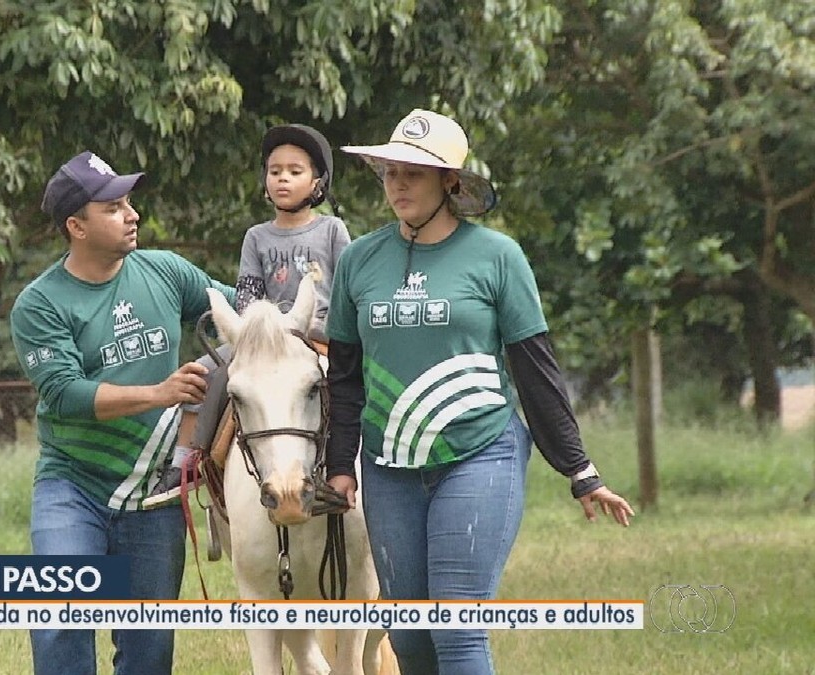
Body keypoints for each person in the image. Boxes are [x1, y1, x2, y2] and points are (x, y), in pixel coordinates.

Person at [323, 108, 635, 674]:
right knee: (409, 633)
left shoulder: (497, 257)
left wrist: (579, 470)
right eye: (390, 172)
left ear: (451, 182)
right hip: (388, 464)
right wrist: (340, 463)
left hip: (480, 453)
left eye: (413, 174)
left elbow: (535, 371)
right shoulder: (359, 261)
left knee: (456, 626)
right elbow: (343, 376)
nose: (397, 184)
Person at [9, 150, 235, 675]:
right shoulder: (40, 303)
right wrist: (161, 392)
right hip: (74, 489)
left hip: (155, 494)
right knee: (61, 614)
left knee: (149, 653)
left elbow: (236, 314)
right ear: (76, 226)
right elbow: (65, 392)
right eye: (113, 208)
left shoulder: (165, 271)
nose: (132, 215)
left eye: (129, 203)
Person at [143, 123, 352, 507]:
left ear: (318, 182)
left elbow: (347, 289)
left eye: (295, 171)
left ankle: (356, 467)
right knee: (206, 373)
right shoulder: (256, 236)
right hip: (265, 341)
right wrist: (253, 330)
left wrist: (330, 333)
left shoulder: (332, 230)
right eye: (275, 171)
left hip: (321, 337)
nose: (283, 179)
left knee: (351, 387)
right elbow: (249, 294)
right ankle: (186, 464)